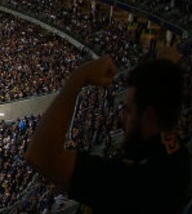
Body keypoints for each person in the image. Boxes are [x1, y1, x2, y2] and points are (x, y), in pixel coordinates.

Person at [25, 55, 189, 213]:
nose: (121, 119)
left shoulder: (130, 184)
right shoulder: (178, 159)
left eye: (128, 110)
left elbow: (40, 156)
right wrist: (163, 69)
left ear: (149, 116)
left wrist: (77, 78)